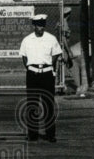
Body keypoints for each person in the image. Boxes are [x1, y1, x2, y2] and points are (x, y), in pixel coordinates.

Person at [18, 14, 62, 142]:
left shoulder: (51, 39)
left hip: (47, 73)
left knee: (48, 104)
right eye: (38, 25)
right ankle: (32, 135)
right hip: (33, 74)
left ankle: (50, 135)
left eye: (42, 25)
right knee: (32, 104)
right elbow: (24, 56)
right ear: (34, 26)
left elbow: (55, 55)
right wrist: (30, 67)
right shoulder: (27, 40)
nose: (41, 28)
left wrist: (49, 65)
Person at [60, 7, 89, 98]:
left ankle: (64, 87)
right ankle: (74, 88)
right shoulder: (64, 24)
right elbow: (64, 39)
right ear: (68, 15)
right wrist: (69, 51)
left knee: (63, 68)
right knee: (68, 68)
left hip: (62, 48)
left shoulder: (61, 23)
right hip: (64, 48)